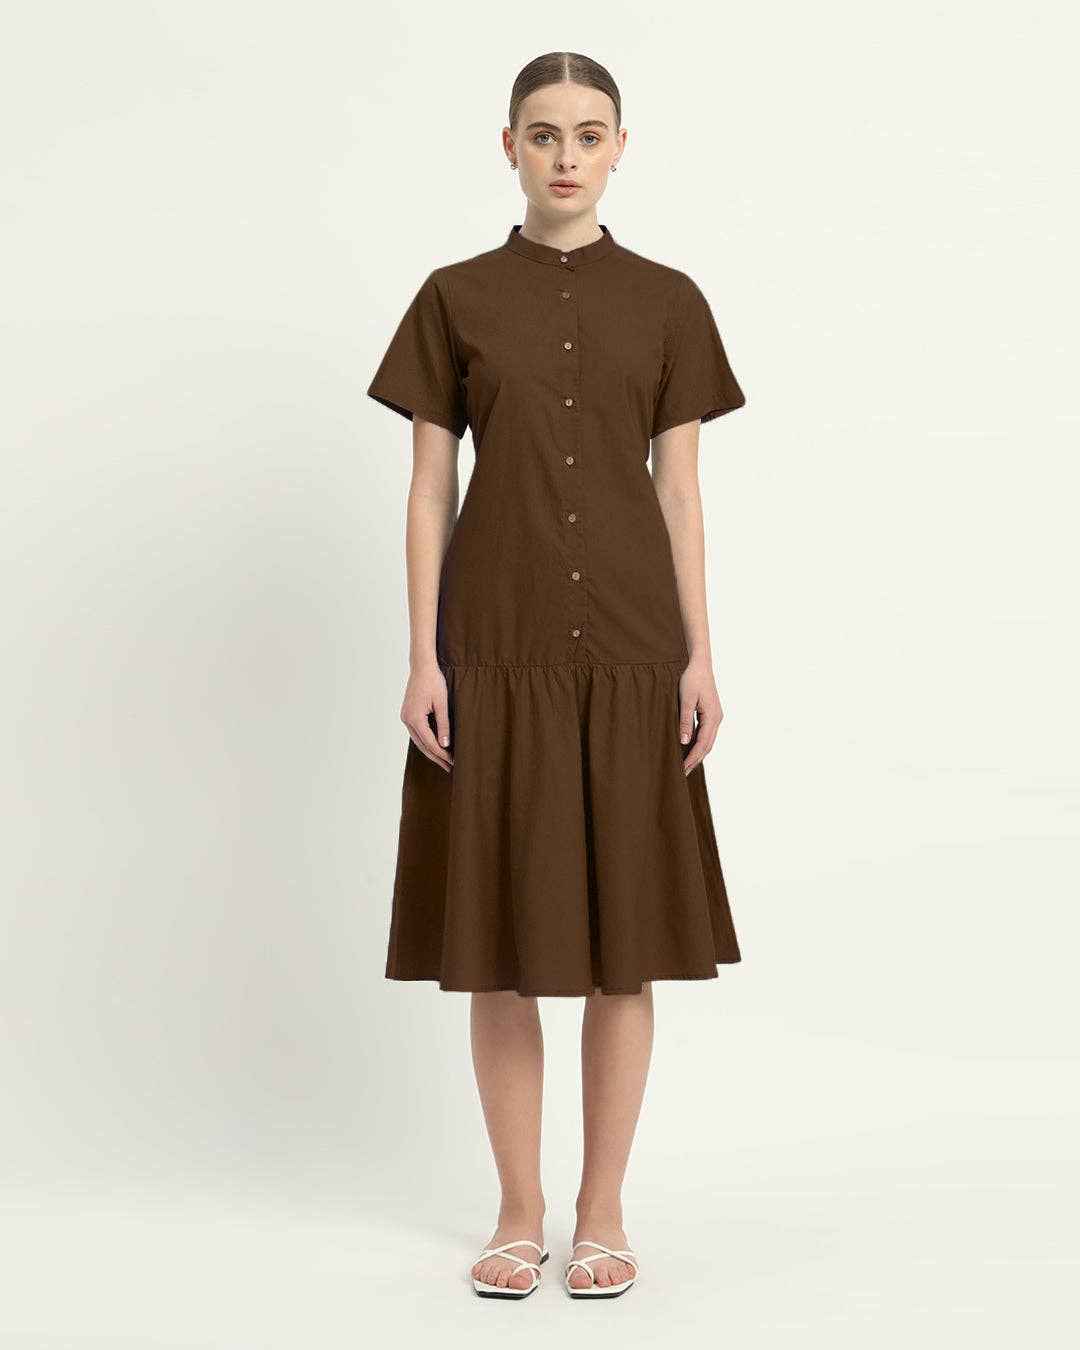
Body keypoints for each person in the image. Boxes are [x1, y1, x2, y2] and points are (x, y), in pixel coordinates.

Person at [366, 51, 747, 1300]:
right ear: (509, 147)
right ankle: (519, 1210)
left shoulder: (671, 301)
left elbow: (679, 491)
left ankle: (605, 1213)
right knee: (501, 943)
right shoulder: (454, 298)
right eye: (544, 134)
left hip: (633, 650)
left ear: (622, 147)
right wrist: (423, 653)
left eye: (589, 133)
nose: (567, 155)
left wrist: (699, 653)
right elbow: (430, 487)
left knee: (622, 946)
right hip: (497, 644)